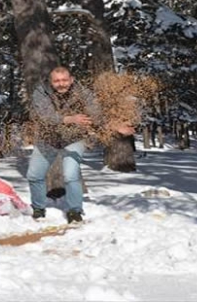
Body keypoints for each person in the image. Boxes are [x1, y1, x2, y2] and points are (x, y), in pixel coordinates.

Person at [27, 66, 135, 224]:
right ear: (51, 82)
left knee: (71, 175)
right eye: (57, 81)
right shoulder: (41, 92)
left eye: (64, 80)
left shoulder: (82, 92)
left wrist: (115, 126)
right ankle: (38, 208)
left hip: (73, 138)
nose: (61, 84)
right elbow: (46, 116)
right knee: (34, 175)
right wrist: (70, 119)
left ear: (71, 80)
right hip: (47, 138)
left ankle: (75, 211)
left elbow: (96, 114)